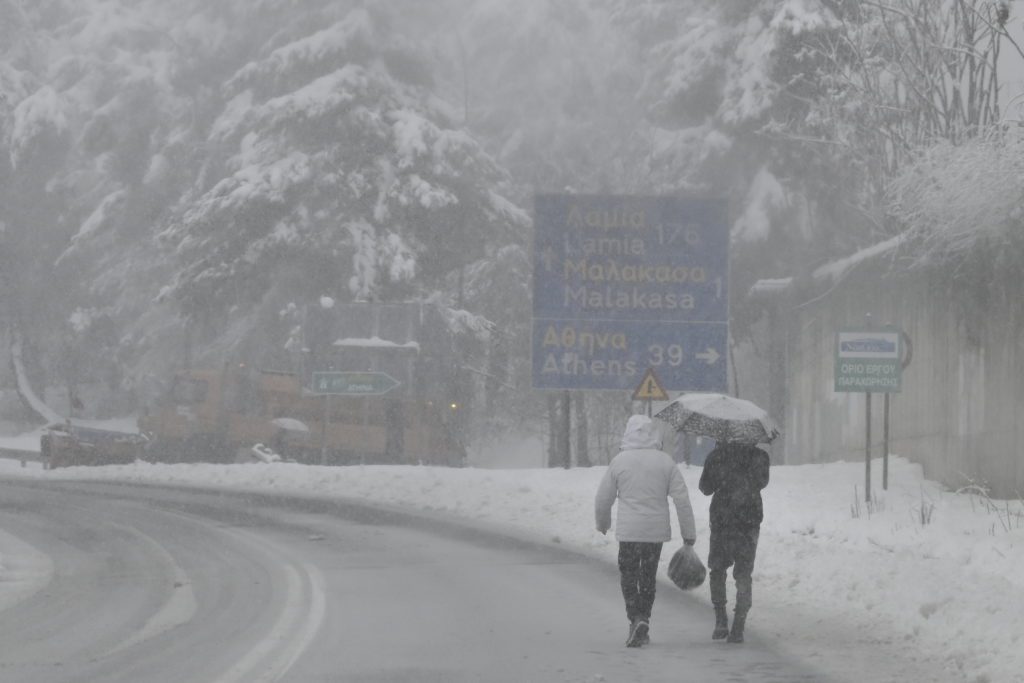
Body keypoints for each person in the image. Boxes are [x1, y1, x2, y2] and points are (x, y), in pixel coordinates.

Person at [595, 415, 697, 648]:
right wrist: (688, 533)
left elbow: (603, 498)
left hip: (629, 532)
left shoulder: (619, 461)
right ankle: (644, 618)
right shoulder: (665, 462)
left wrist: (602, 523)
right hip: (654, 532)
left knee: (629, 575)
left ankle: (635, 618)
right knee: (648, 576)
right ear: (653, 434)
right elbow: (682, 500)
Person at [698, 439, 771, 644]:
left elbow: (705, 488)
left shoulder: (717, 456)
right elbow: (762, 482)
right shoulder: (760, 456)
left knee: (718, 570)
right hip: (749, 522)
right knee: (744, 573)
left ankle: (720, 619)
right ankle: (738, 625)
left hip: (722, 521)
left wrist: (719, 467)